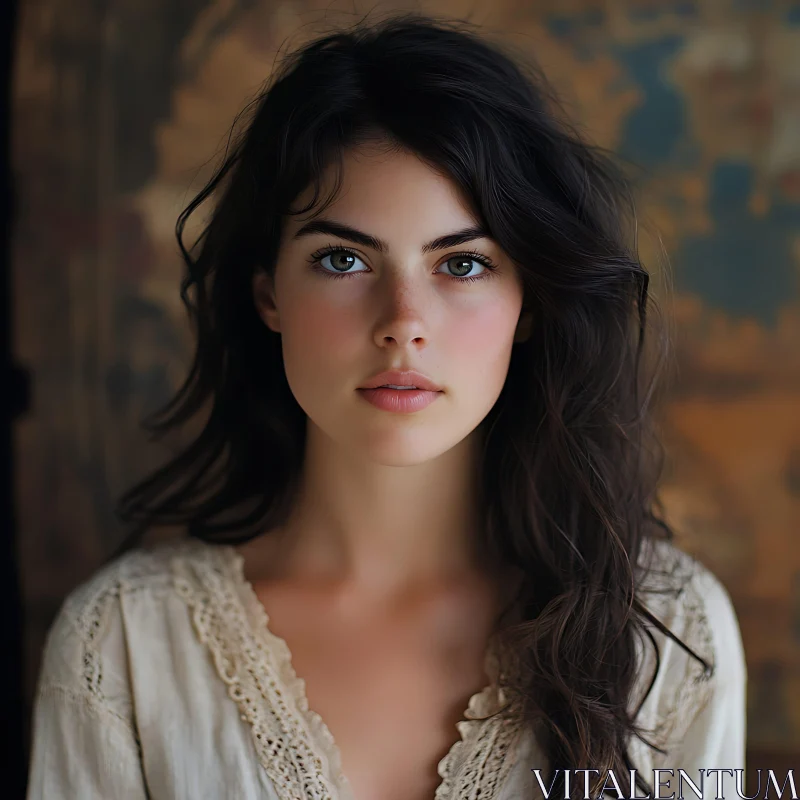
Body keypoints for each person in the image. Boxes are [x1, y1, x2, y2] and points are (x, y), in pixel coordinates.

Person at [25, 13, 747, 800]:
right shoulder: (126, 645)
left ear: (529, 303)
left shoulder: (668, 634)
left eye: (463, 264)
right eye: (343, 259)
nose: (403, 321)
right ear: (268, 292)